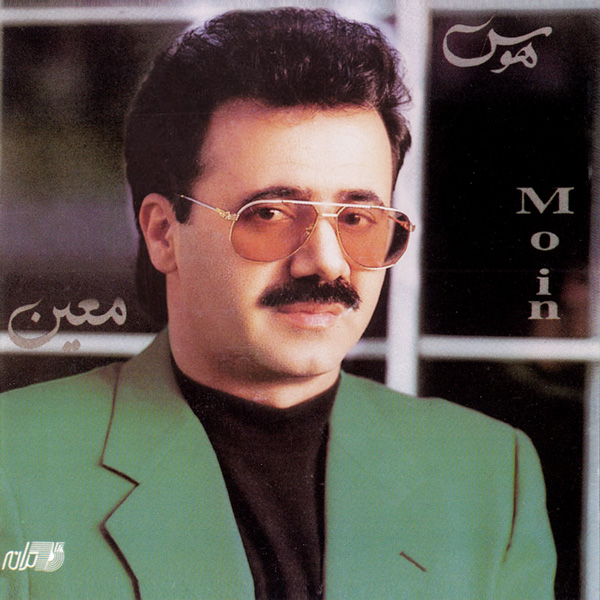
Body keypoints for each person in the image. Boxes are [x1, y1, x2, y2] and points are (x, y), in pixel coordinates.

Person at [0, 8, 555, 600]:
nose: (327, 263)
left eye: (358, 219)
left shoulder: (489, 473)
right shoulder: (18, 462)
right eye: (268, 213)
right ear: (164, 233)